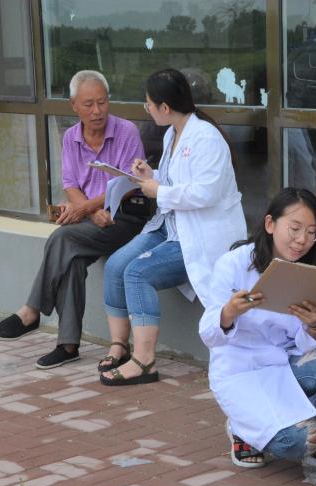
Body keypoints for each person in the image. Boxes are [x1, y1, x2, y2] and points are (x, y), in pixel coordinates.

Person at [0, 70, 148, 370]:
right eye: (88, 104)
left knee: (62, 238)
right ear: (74, 105)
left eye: (102, 102)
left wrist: (88, 207)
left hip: (125, 217)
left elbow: (130, 182)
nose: (97, 111)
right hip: (92, 218)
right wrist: (89, 211)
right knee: (72, 260)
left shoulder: (126, 131)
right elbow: (70, 184)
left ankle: (32, 311)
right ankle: (67, 345)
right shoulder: (70, 137)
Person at [99, 68, 246, 385]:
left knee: (137, 273)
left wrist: (158, 192)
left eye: (149, 104)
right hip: (171, 226)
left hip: (198, 235)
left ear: (165, 107)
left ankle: (144, 361)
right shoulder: (172, 134)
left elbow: (206, 193)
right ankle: (119, 346)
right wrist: (149, 176)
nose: (147, 109)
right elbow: (174, 181)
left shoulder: (206, 138)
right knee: (116, 266)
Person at [198, 188, 316, 468]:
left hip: (288, 362)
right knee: (298, 442)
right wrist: (229, 313)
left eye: (312, 232)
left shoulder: (313, 269)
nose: (302, 240)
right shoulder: (234, 264)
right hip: (242, 369)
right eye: (295, 228)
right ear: (270, 224)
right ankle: (242, 428)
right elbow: (208, 334)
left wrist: (315, 324)